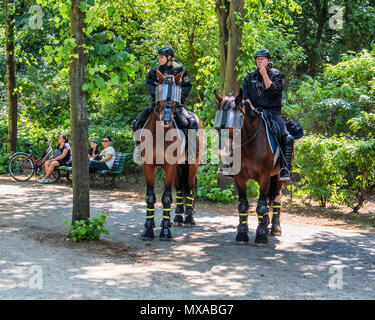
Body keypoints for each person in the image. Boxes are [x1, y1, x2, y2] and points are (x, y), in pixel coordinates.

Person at [131, 46, 197, 153]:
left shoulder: (180, 70)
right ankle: (139, 146)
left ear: (169, 57)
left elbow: (187, 86)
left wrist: (179, 99)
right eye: (159, 57)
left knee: (191, 123)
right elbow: (149, 85)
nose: (159, 59)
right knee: (137, 122)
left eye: (161, 57)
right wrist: (157, 97)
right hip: (159, 104)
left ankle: (190, 149)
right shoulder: (154, 71)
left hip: (175, 105)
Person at [242, 48, 294, 181]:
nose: (260, 61)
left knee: (287, 137)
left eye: (262, 59)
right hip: (254, 113)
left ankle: (284, 169)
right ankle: (231, 164)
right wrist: (253, 109)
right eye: (258, 59)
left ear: (269, 60)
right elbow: (246, 97)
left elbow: (273, 93)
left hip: (273, 113)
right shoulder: (249, 77)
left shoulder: (277, 75)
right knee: (235, 130)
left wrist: (265, 74)